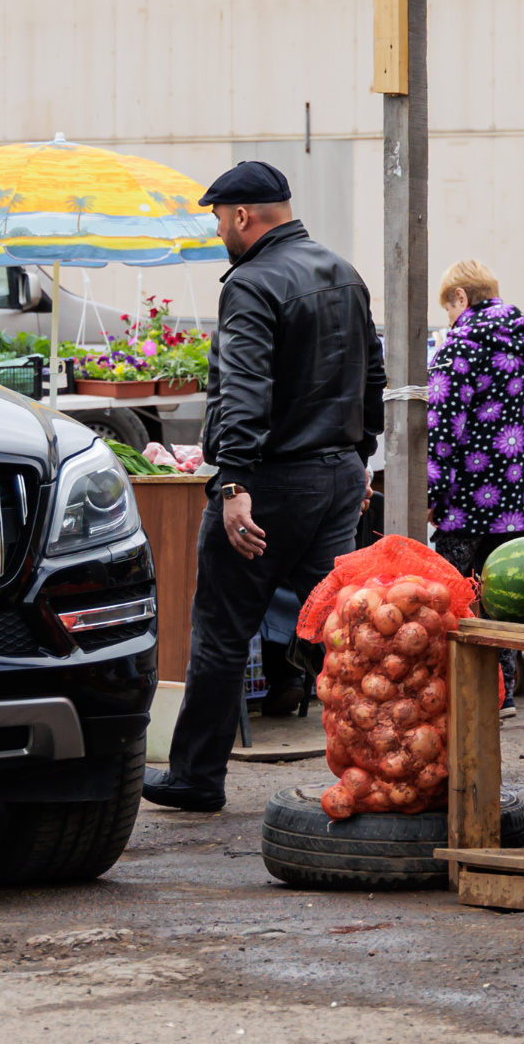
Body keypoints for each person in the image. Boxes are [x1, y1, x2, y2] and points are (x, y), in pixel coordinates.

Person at [142, 160, 384, 813]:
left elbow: (245, 391)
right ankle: (379, 759)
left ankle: (196, 775)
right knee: (343, 629)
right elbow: (372, 375)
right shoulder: (343, 271)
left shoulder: (251, 283)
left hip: (272, 482)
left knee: (223, 628)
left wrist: (234, 483)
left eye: (219, 218)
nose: (219, 229)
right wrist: (361, 457)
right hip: (336, 476)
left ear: (243, 216)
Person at [425, 258, 524, 716]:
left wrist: (429, 495)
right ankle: (506, 693)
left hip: (472, 498)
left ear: (460, 298)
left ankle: (462, 692)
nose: (449, 320)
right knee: (505, 594)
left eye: (447, 308)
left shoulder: (461, 345)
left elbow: (441, 427)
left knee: (452, 595)